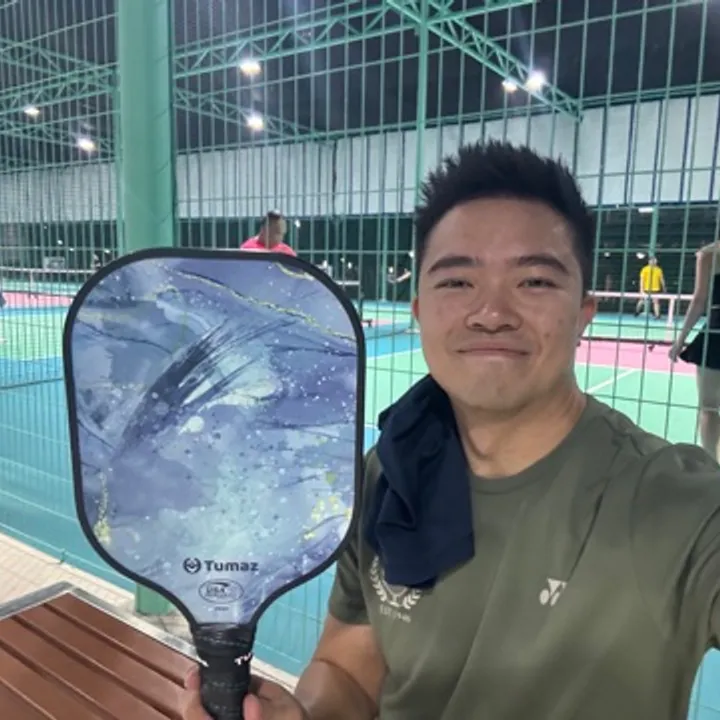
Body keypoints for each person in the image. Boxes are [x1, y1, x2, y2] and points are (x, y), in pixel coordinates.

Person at [182, 141, 720, 720]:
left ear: (583, 312)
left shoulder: (674, 503)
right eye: (458, 282)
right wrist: (301, 717)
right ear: (419, 312)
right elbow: (349, 673)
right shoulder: (388, 470)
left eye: (534, 281)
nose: (491, 313)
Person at [670, 243, 720, 459]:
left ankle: (711, 464)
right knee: (708, 408)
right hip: (715, 336)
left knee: (709, 408)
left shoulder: (709, 255)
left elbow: (699, 300)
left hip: (716, 336)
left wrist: (680, 340)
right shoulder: (708, 254)